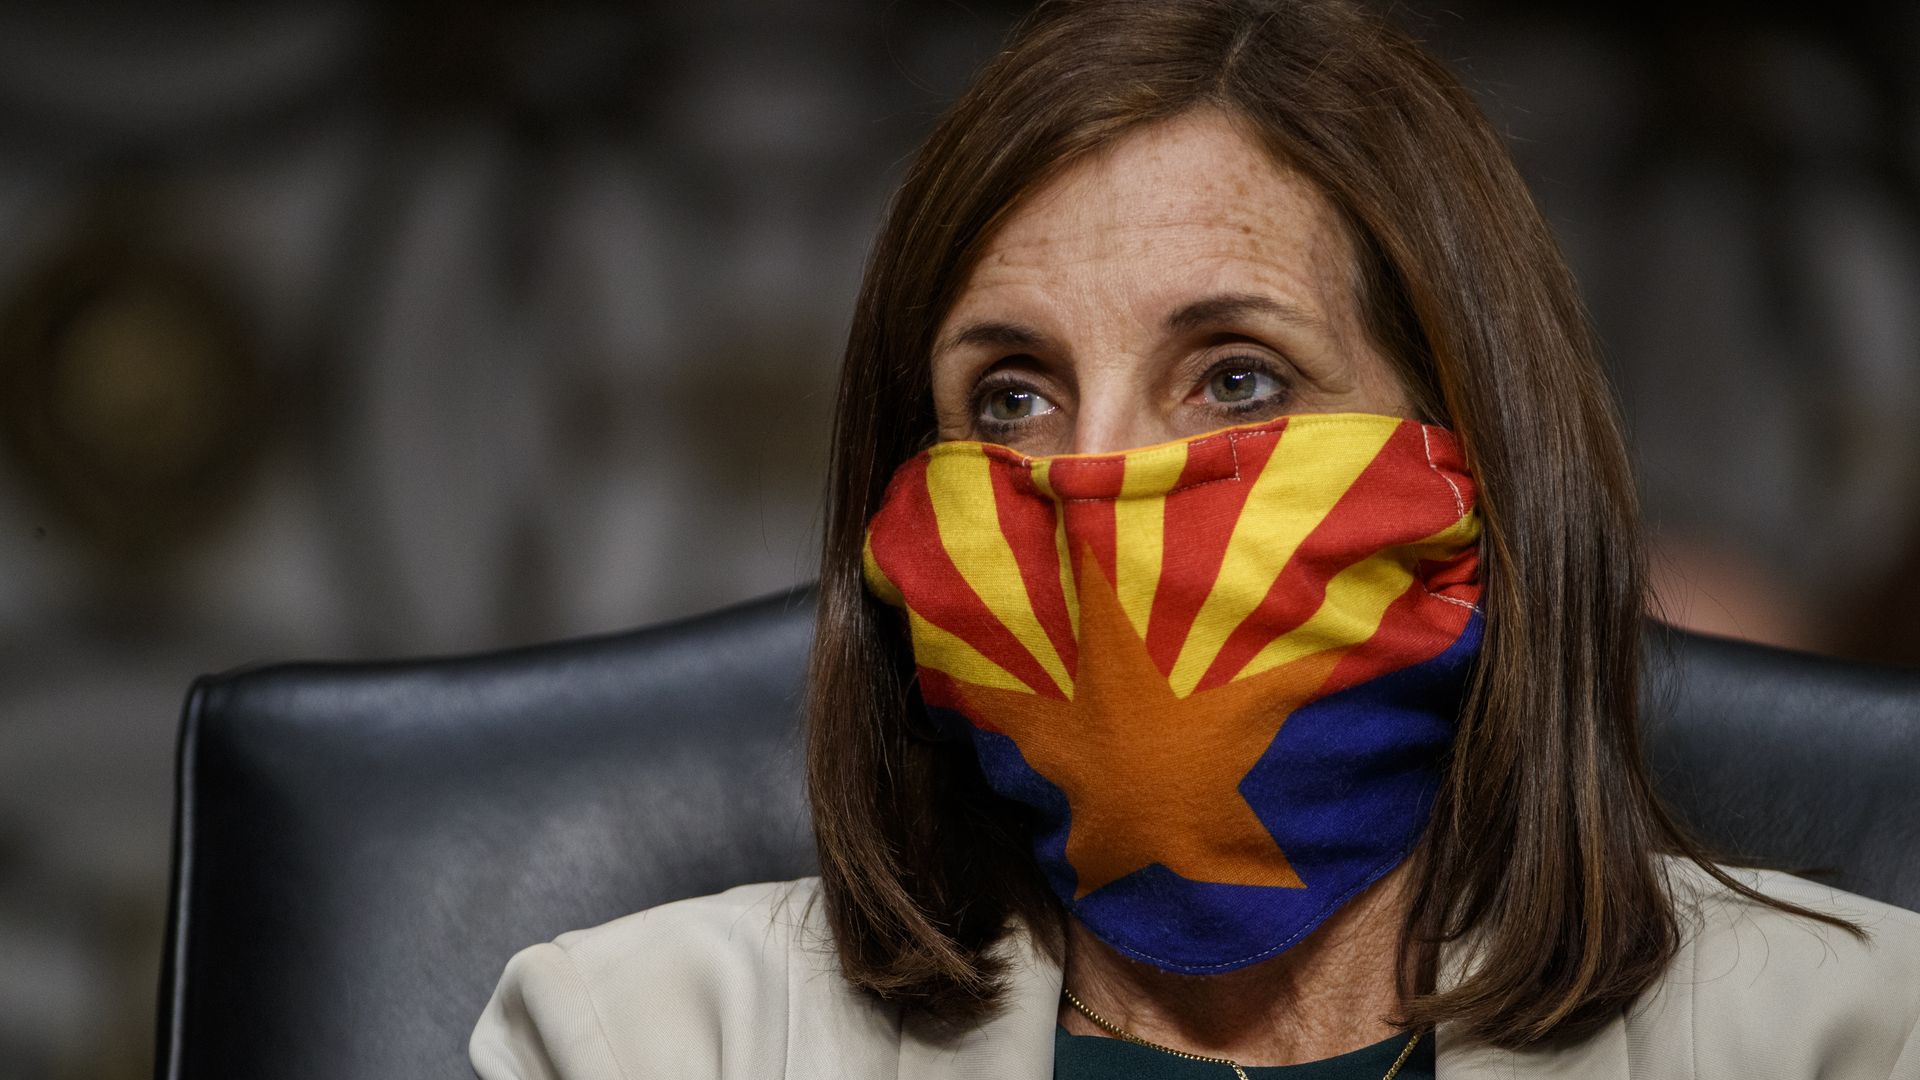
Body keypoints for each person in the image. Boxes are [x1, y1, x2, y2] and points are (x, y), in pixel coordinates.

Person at [468, 1, 1920, 1077]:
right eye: (1012, 397)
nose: (1095, 481)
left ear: (1478, 462)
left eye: (1236, 379)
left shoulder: (1855, 1038)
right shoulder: (643, 1041)